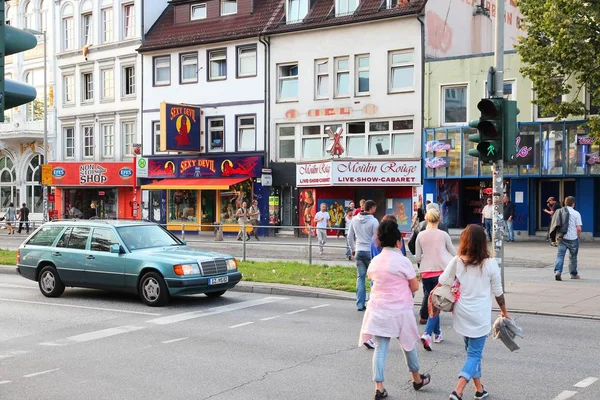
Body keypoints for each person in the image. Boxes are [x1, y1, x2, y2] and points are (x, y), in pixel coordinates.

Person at [359, 218, 431, 400]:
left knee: (380, 347)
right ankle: (416, 379)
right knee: (408, 345)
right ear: (398, 242)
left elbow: (372, 279)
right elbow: (414, 287)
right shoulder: (403, 261)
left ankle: (379, 387)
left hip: (378, 309)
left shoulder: (375, 262)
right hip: (400, 311)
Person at [441, 224, 509, 400]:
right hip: (479, 316)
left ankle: (479, 389)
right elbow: (498, 292)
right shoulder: (490, 264)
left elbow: (443, 280)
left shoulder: (457, 261)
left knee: (471, 352)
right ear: (482, 243)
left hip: (461, 313)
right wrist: (504, 312)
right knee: (474, 354)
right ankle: (458, 390)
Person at [415, 208, 457, 351]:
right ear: (439, 220)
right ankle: (427, 333)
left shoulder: (420, 235)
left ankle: (437, 334)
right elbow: (454, 252)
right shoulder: (443, 235)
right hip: (441, 272)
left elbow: (418, 257)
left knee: (434, 302)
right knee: (436, 304)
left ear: (426, 219)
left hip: (426, 272)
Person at [408, 202, 448, 325]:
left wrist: (418, 255)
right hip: (439, 264)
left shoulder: (420, 225)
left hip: (424, 263)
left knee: (427, 289)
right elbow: (447, 246)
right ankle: (427, 315)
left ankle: (428, 315)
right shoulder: (442, 227)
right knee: (434, 291)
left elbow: (410, 243)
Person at [348, 200, 379, 311]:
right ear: (371, 208)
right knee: (374, 278)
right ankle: (372, 303)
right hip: (370, 252)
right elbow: (377, 238)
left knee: (360, 278)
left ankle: (360, 304)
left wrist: (352, 249)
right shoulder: (374, 221)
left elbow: (349, 236)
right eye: (374, 208)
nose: (375, 210)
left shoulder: (354, 219)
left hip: (359, 250)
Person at [553, 196, 582, 281]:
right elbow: (579, 228)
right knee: (573, 257)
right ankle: (573, 274)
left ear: (564, 203)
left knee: (560, 256)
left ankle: (558, 272)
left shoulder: (560, 212)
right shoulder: (576, 213)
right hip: (573, 238)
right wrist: (578, 236)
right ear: (573, 204)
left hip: (562, 237)